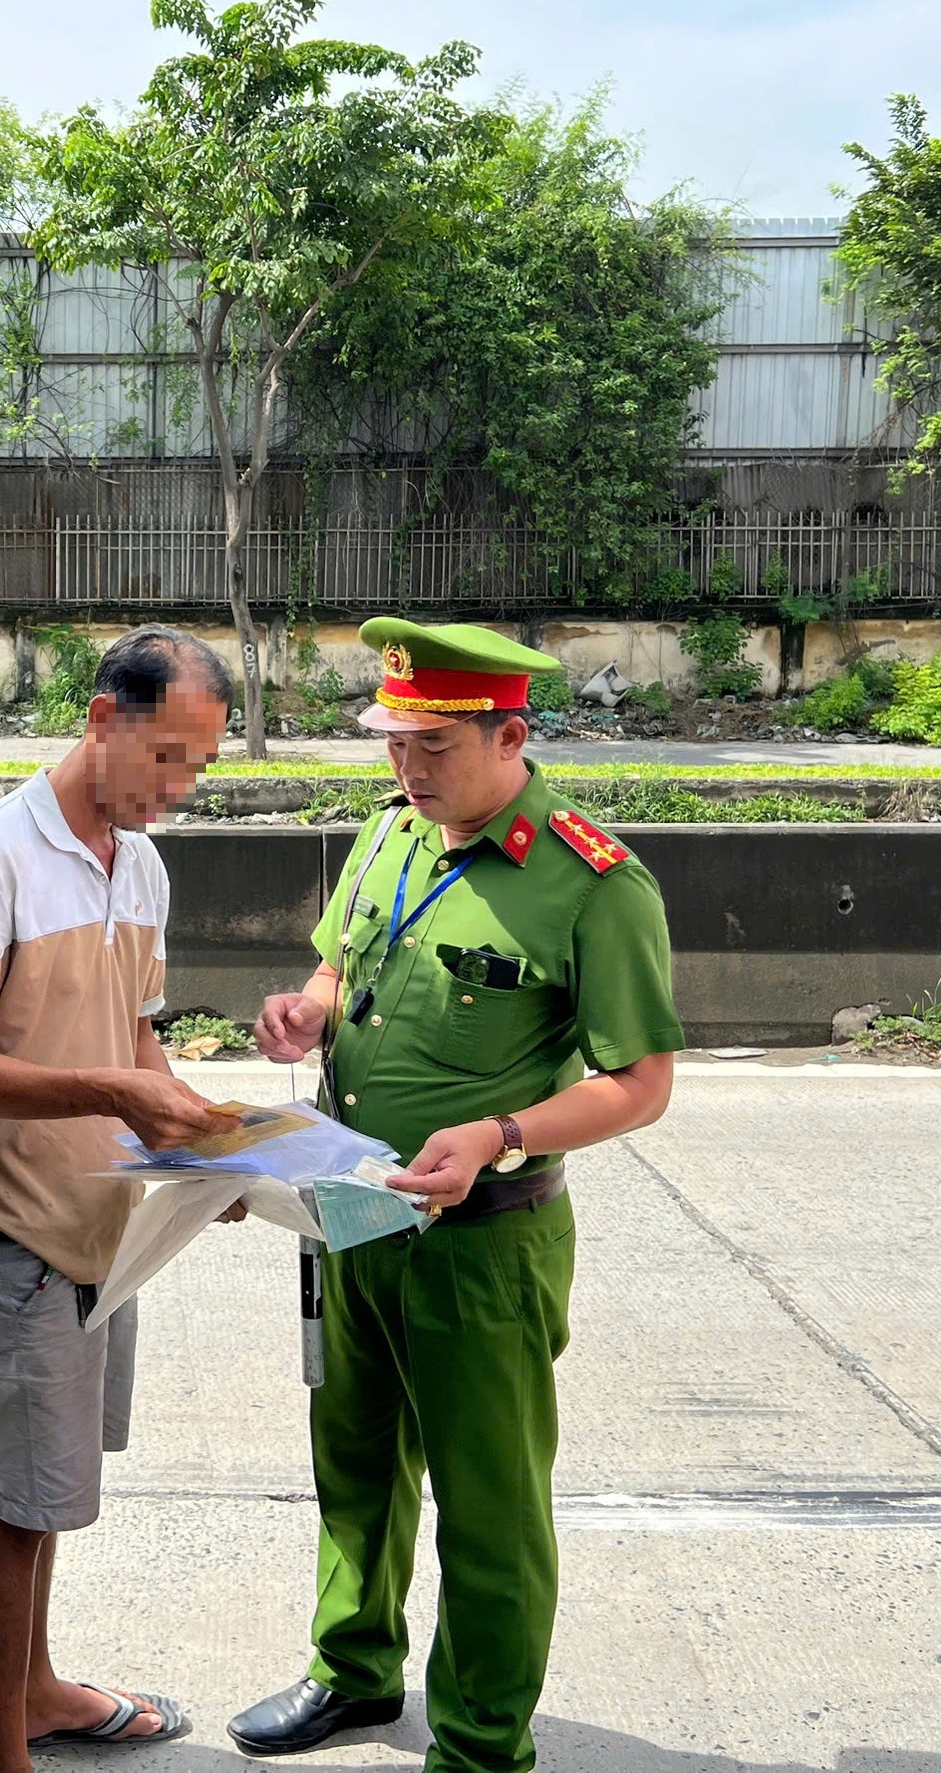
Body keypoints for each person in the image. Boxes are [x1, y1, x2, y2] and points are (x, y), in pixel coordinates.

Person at [229, 618, 685, 1773]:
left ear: (509, 733)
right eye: (391, 744)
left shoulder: (593, 885)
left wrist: (501, 1133)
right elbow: (343, 964)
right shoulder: (390, 838)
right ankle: (353, 1671)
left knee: (488, 1511)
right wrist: (308, 1007)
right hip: (350, 1213)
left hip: (481, 1244)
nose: (406, 770)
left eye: (432, 746)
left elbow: (640, 1084)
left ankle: (481, 1743)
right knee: (357, 1465)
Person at [0, 624, 240, 1773]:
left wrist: (207, 1147)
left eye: (199, 765)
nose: (180, 788)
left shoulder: (137, 864)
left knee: (51, 1495)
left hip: (109, 1229)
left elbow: (134, 1035)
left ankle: (38, 1690)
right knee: (16, 1503)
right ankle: (7, 1755)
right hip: (12, 1238)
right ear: (103, 718)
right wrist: (105, 1090)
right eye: (167, 758)